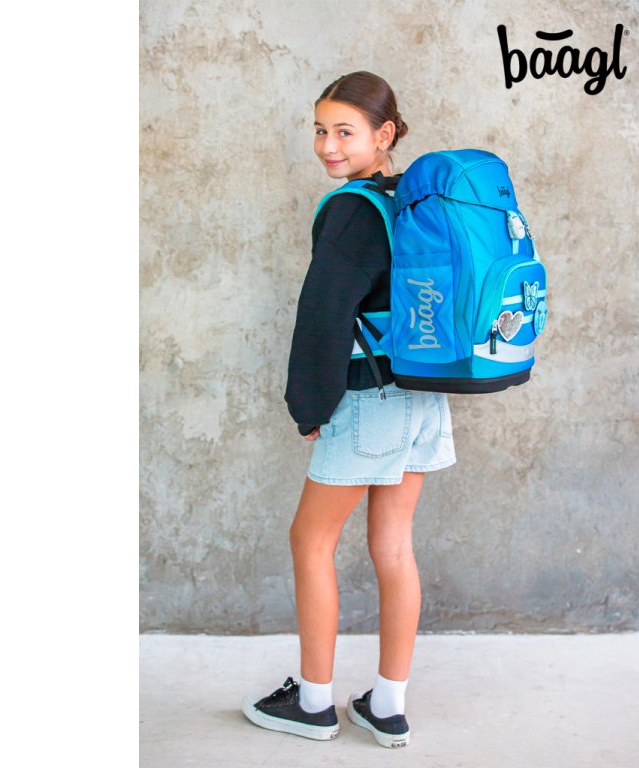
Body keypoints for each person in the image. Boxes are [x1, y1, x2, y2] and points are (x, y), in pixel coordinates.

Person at [240, 71, 456, 749]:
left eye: (344, 131)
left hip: (367, 401)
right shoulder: (411, 201)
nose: (328, 146)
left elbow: (325, 313)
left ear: (383, 134)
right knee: (394, 546)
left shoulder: (353, 210)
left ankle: (312, 703)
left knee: (311, 541)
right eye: (319, 130)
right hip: (423, 395)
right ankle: (387, 707)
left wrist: (309, 403)